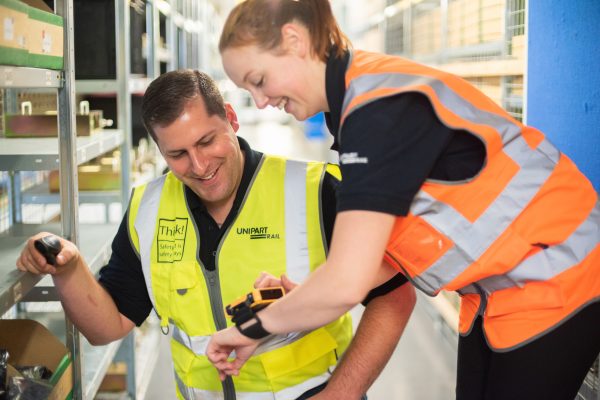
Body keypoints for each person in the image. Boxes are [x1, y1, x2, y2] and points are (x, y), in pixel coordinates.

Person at [207, 1, 600, 399]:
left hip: (558, 271)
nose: (258, 101)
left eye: (259, 80)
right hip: (496, 289)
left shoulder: (378, 110)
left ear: (293, 41)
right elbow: (371, 253)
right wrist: (306, 298)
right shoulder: (350, 106)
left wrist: (254, 327)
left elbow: (347, 283)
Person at [16, 69, 416, 400]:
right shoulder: (148, 209)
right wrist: (68, 269)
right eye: (177, 155)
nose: (199, 165)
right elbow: (108, 327)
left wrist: (340, 395)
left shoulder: (315, 190)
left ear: (230, 117)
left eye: (206, 141)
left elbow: (395, 296)